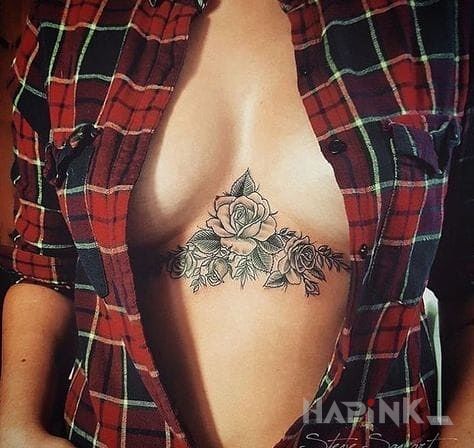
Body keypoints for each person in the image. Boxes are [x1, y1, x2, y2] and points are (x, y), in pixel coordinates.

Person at [0, 0, 472, 447]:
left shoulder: (437, 20)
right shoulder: (70, 21)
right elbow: (44, 272)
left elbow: (468, 287)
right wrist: (17, 427)